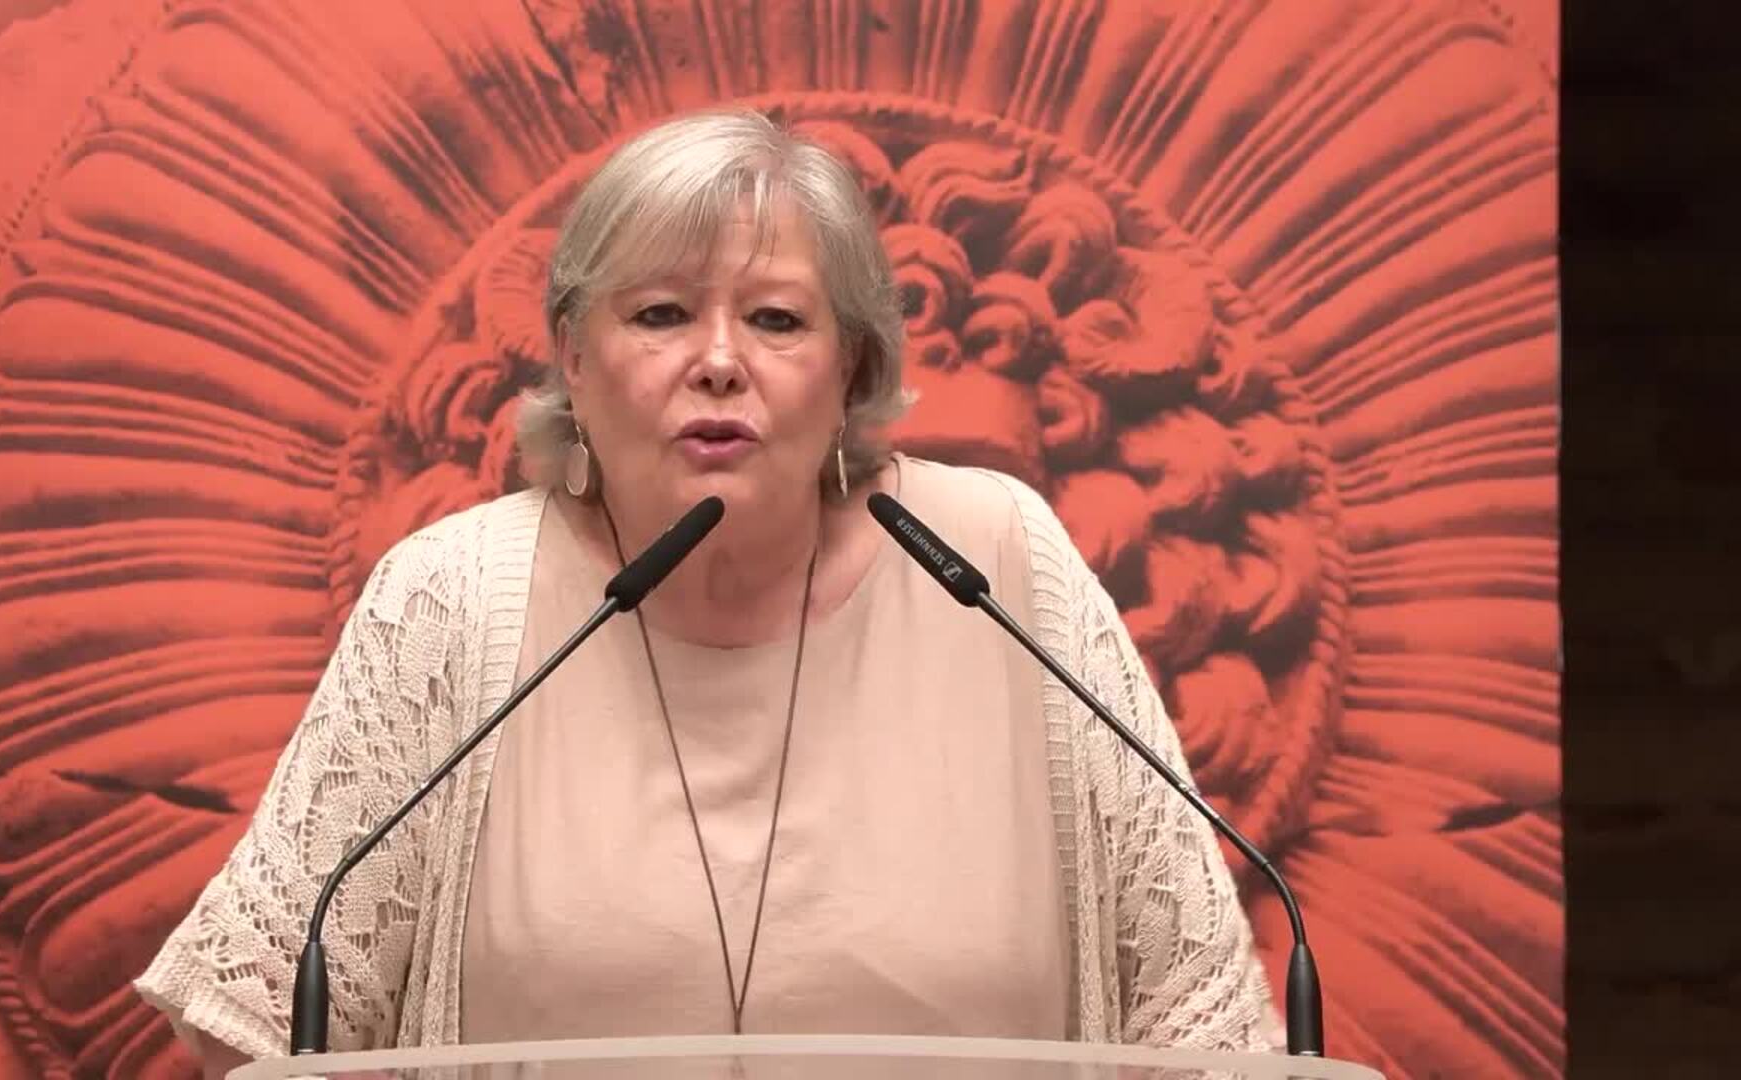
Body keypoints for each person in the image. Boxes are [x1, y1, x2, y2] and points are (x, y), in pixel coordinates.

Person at [135, 107, 1280, 1076]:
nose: (720, 360)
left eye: (776, 319)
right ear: (573, 357)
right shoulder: (451, 598)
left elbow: (1203, 1021)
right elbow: (263, 1011)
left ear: (851, 368)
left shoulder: (995, 564)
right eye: (661, 314)